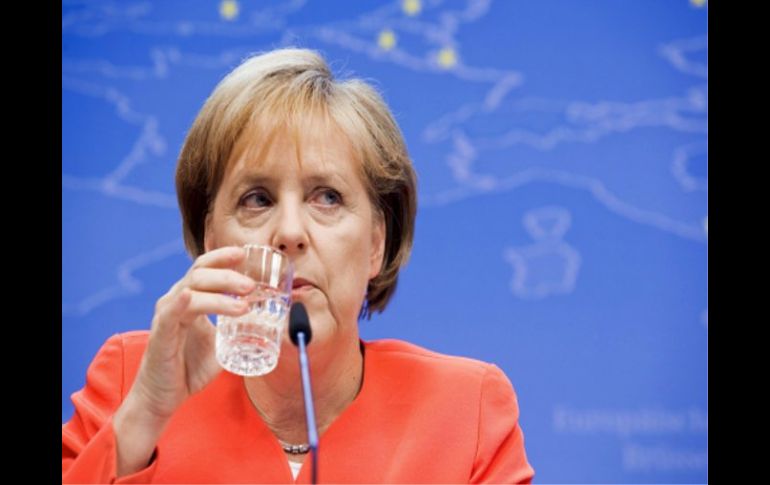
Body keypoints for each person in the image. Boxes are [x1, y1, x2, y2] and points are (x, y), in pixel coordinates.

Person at [61, 47, 534, 484]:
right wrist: (144, 414)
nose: (290, 232)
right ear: (211, 242)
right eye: (257, 199)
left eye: (327, 197)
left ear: (376, 244)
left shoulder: (466, 413)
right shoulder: (131, 381)